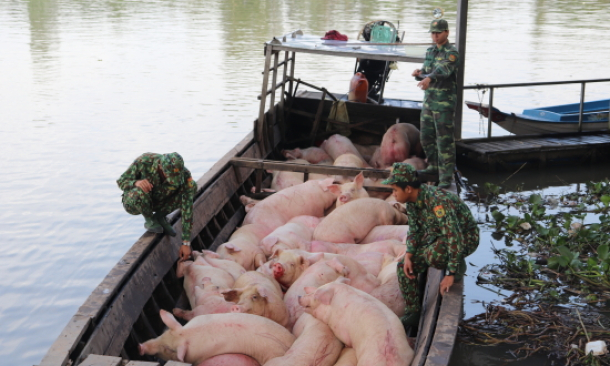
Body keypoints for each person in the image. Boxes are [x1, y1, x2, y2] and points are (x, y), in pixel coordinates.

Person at [382, 162, 479, 327]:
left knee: (433, 255)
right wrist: (410, 254)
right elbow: (414, 230)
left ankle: (458, 266)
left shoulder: (437, 202)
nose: (393, 194)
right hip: (439, 236)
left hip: (465, 237)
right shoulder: (412, 203)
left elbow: (453, 236)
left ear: (408, 189)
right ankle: (413, 312)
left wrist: (450, 273)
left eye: (395, 190)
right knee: (403, 266)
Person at [117, 152, 197, 261]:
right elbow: (121, 181)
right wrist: (136, 183)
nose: (172, 179)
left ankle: (159, 216)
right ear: (160, 166)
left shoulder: (183, 173)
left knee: (192, 188)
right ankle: (149, 219)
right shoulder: (144, 161)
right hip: (135, 202)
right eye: (169, 175)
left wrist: (186, 243)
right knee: (138, 192)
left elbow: (187, 206)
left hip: (159, 201)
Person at [412, 18, 459, 189]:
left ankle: (446, 176)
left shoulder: (452, 53)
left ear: (446, 32)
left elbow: (443, 70)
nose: (435, 36)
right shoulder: (430, 51)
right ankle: (433, 166)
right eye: (433, 33)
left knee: (444, 140)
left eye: (438, 32)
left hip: (444, 103)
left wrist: (429, 77)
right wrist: (419, 74)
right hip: (429, 101)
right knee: (426, 136)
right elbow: (428, 71)